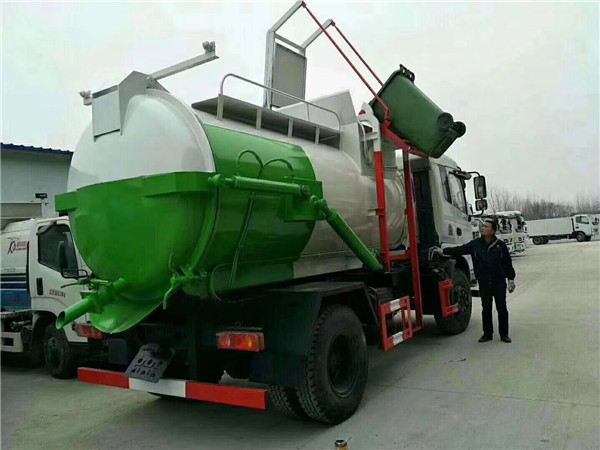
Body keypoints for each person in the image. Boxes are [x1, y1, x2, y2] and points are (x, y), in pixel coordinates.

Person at [432, 218, 516, 343]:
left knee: (502, 308)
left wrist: (511, 279)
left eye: (486, 226)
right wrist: (443, 251)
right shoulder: (475, 244)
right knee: (486, 309)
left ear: (493, 230)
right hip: (484, 282)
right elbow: (459, 249)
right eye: (483, 226)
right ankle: (487, 333)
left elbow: (507, 263)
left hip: (498, 282)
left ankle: (504, 334)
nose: (483, 228)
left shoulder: (500, 246)